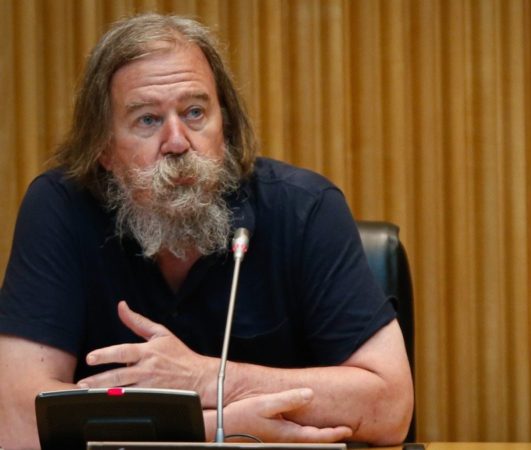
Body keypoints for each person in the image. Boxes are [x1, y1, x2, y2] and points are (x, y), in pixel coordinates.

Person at [0, 13, 413, 450]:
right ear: (102, 147)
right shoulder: (61, 209)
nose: (177, 142)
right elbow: (15, 424)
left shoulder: (305, 210)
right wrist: (220, 426)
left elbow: (390, 408)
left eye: (195, 112)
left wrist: (211, 378)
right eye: (147, 120)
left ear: (225, 126)